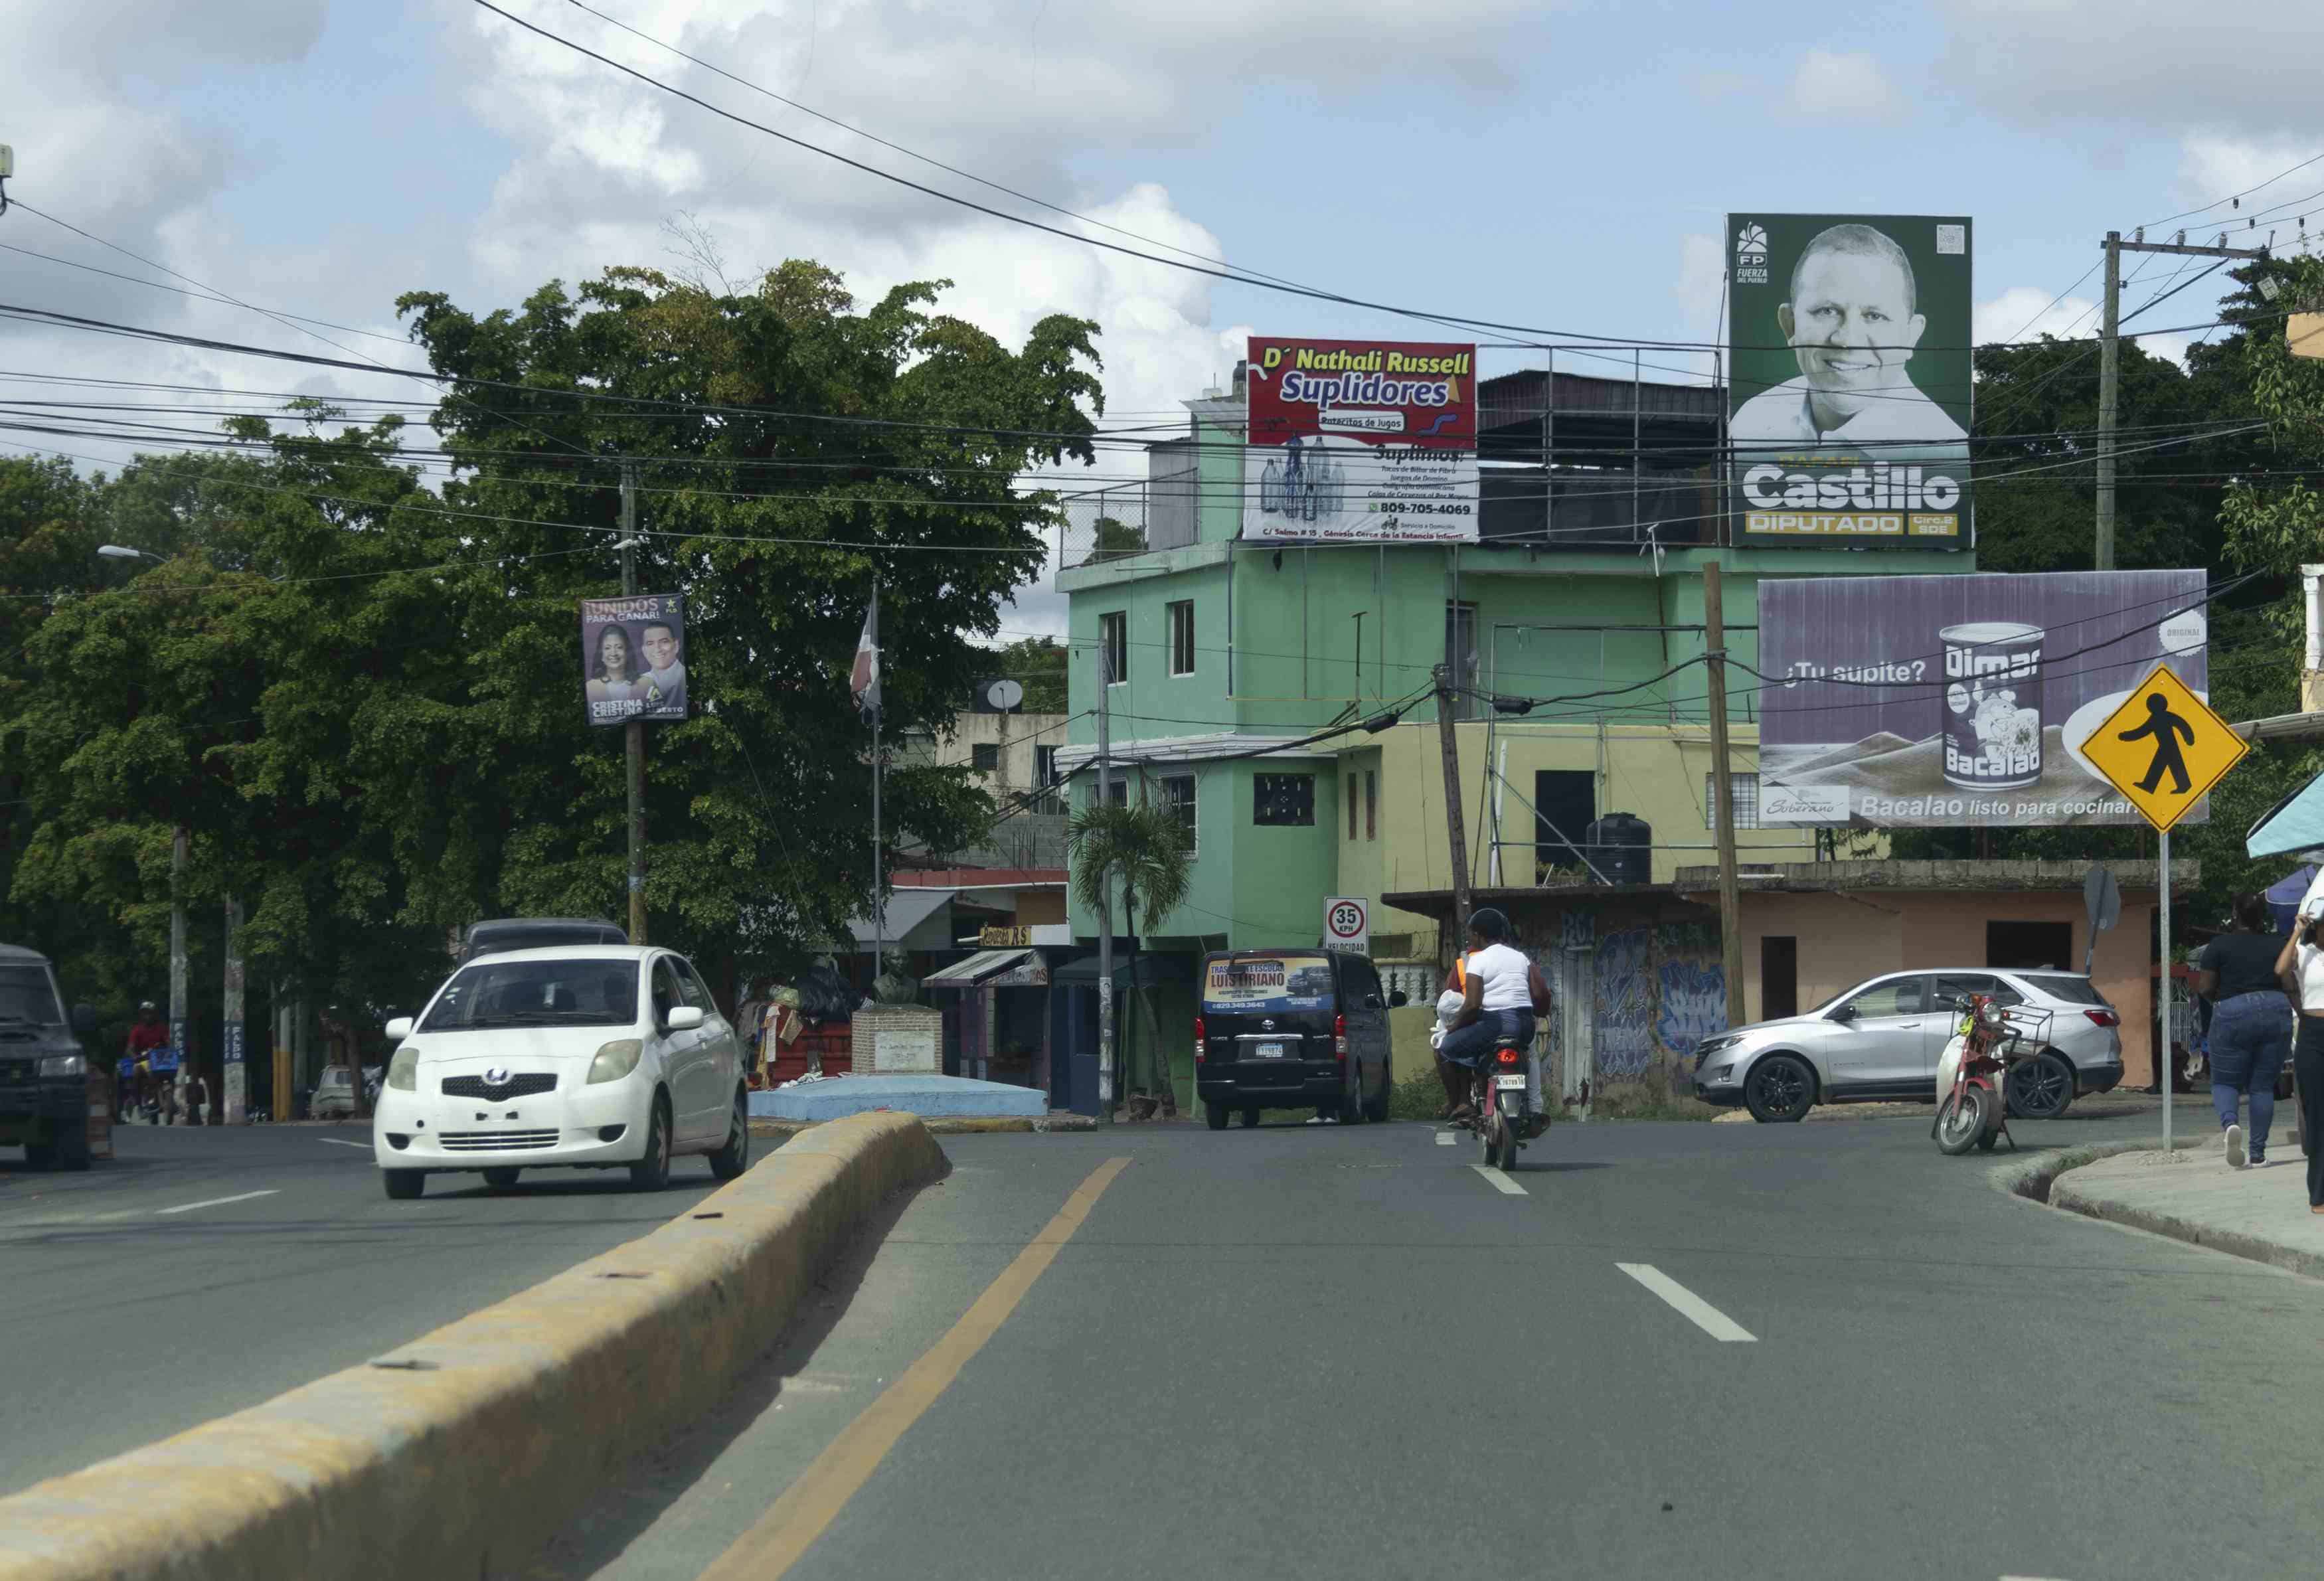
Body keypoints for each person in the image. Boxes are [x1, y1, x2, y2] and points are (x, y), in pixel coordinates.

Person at [1730, 222, 1967, 459]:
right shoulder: (1750, 421)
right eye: (1827, 311)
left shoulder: (1942, 447)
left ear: (1911, 336)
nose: (1847, 339)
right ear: (1790, 325)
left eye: (1875, 316)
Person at [2197, 892, 2294, 1169]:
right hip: (2276, 1008)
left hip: (2233, 1010)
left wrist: (2224, 1003)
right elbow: (2288, 983)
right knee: (2262, 1086)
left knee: (2225, 1082)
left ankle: (2230, 1125)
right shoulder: (2278, 943)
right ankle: (2258, 1154)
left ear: (2235, 914)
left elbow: (2204, 988)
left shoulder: (2219, 945)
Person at [1434, 908, 1551, 1125]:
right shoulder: (1521, 958)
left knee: (1445, 1049)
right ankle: (1535, 1108)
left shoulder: (1477, 961)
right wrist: (1540, 1012)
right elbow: (1541, 994)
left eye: (1470, 934)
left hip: (1494, 1026)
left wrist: (1453, 1028)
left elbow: (1472, 1006)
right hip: (1524, 1026)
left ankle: (1461, 1104)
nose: (1469, 939)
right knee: (1532, 1055)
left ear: (1478, 935)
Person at [2275, 901, 2324, 1213]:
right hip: (2312, 1036)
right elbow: (2280, 969)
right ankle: (2319, 1195)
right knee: (2318, 1117)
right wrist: (2296, 932)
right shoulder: (2305, 954)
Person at [586, 624, 644, 707]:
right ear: (601, 655)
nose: (613, 653)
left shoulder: (647, 684)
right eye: (607, 648)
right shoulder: (590, 688)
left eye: (619, 647)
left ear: (627, 652)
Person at [639, 620, 686, 714]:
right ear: (644, 651)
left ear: (676, 646)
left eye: (664, 642)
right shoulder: (638, 683)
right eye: (650, 643)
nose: (657, 649)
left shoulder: (685, 677)